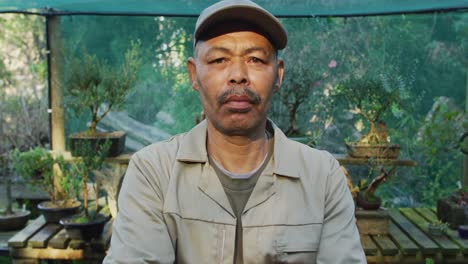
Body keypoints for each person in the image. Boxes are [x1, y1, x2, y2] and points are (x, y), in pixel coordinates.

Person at [104, 0, 366, 263]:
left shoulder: (322, 178)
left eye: (255, 59)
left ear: (278, 75)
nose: (238, 75)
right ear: (194, 74)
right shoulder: (154, 173)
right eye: (219, 59)